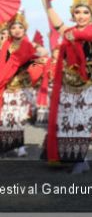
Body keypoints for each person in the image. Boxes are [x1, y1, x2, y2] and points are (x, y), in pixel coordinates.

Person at [36, 0, 92, 174]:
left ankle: (81, 159)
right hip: (69, 81)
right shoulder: (67, 32)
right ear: (72, 14)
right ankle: (72, 158)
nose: (81, 15)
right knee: (66, 119)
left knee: (83, 120)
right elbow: (49, 9)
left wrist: (81, 34)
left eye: (85, 12)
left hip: (89, 83)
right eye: (77, 12)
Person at [0, 12, 46, 157]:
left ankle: (20, 147)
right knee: (5, 118)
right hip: (7, 86)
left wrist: (35, 47)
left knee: (18, 118)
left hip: (20, 88)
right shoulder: (6, 45)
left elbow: (43, 54)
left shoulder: (28, 44)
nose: (17, 30)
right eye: (13, 27)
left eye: (20, 27)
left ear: (24, 29)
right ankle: (6, 145)